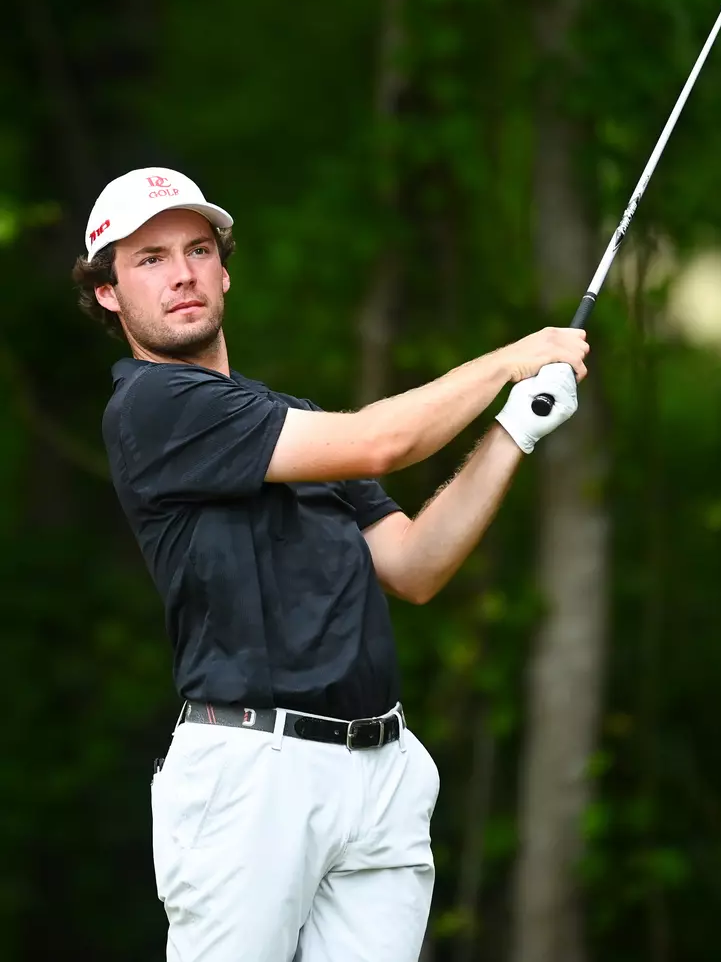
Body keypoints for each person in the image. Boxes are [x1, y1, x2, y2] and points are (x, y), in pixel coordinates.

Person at [72, 166, 588, 962]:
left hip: (378, 770)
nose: (181, 274)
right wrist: (511, 359)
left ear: (224, 269)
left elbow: (415, 565)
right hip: (251, 775)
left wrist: (514, 428)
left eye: (197, 250)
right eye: (149, 260)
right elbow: (385, 439)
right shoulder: (151, 408)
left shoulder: (295, 424)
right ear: (108, 293)